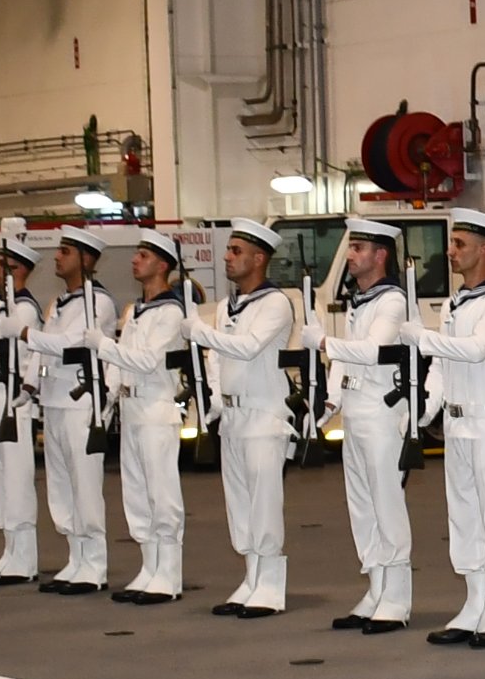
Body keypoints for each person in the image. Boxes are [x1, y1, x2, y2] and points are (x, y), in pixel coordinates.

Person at [185, 219, 300, 616]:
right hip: (233, 419)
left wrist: (200, 332)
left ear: (259, 258)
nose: (227, 257)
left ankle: (270, 586)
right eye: (229, 250)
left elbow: (248, 347)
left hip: (264, 416)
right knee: (239, 505)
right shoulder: (225, 306)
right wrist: (215, 401)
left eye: (236, 251)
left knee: (264, 504)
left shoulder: (276, 303)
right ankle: (251, 578)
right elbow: (217, 360)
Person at [419, 212, 485, 648]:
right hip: (457, 424)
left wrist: (422, 338)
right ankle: (474, 601)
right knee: (464, 519)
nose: (451, 251)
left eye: (459, 243)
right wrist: (424, 409)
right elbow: (442, 367)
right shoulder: (453, 303)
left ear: (484, 249)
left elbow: (477, 350)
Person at [318, 218, 419, 632]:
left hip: (382, 414)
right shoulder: (359, 301)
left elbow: (373, 350)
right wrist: (330, 400)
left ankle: (396, 598)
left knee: (386, 506)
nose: (350, 255)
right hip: (356, 412)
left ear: (380, 255)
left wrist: (324, 342)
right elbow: (346, 361)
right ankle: (376, 588)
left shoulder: (392, 300)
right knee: (362, 508)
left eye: (358, 248)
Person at [100, 227, 196, 603]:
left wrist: (104, 346)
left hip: (157, 409)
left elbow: (146, 360)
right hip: (132, 410)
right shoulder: (135, 310)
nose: (134, 261)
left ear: (162, 265)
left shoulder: (170, 312)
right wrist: (108, 397)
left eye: (143, 256)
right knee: (137, 495)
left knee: (161, 494)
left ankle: (168, 575)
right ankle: (149, 567)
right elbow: (122, 364)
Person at [33, 230, 112, 594]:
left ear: (86, 259)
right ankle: (75, 558)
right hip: (53, 401)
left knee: (85, 487)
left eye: (65, 251)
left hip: (80, 404)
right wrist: (30, 385)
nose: (57, 257)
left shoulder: (98, 302)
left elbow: (70, 343)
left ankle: (94, 566)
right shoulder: (60, 302)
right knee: (62, 488)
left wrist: (27, 335)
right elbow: (46, 353)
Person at [0, 226, 44, 586]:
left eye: (2, 265)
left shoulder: (25, 309)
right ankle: (10, 549)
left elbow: (16, 356)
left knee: (16, 481)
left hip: (12, 402)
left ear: (19, 270)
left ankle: (25, 557)